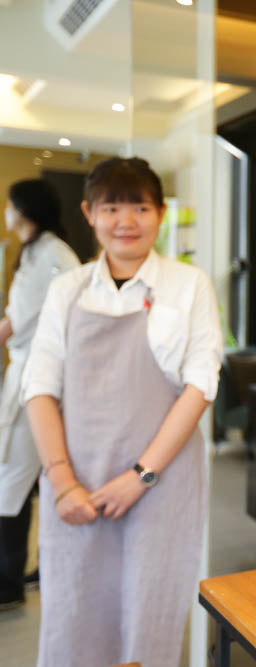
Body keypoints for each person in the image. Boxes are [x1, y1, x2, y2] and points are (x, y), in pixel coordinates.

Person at [22, 157, 223, 667]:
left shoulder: (188, 285)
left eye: (140, 206)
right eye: (112, 207)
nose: (126, 220)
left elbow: (200, 385)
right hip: (77, 486)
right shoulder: (66, 290)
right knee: (73, 615)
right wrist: (62, 481)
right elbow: (39, 386)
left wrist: (141, 475)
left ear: (159, 214)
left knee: (150, 615)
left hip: (162, 486)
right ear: (90, 213)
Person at [0, 179, 80, 611]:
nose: (7, 214)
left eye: (10, 206)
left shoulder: (50, 254)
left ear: (25, 210)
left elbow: (16, 321)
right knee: (30, 476)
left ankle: (8, 581)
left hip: (37, 376)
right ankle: (37, 568)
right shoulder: (41, 251)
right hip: (30, 373)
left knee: (15, 475)